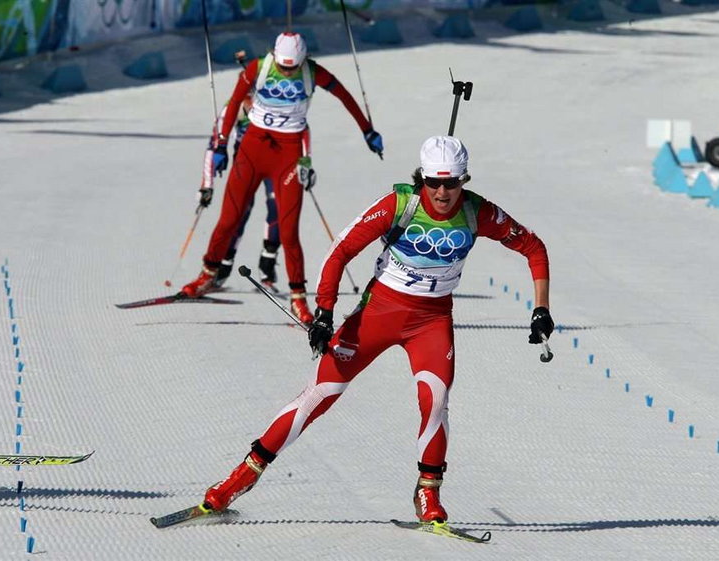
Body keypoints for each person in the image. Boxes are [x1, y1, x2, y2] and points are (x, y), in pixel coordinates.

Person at [198, 136, 553, 525]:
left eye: (451, 183)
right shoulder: (401, 204)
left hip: (431, 321)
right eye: (433, 181)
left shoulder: (478, 212)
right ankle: (238, 479)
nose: (442, 192)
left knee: (434, 399)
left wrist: (541, 309)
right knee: (321, 393)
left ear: (463, 181)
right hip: (378, 314)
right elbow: (340, 251)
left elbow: (534, 248)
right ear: (422, 178)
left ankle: (428, 493)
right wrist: (324, 314)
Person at [181, 32, 384, 325]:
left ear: (302, 60)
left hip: (287, 155)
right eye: (283, 66)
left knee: (288, 232)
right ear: (274, 56)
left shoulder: (312, 72)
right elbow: (235, 101)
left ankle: (298, 299)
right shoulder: (258, 68)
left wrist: (367, 130)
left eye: (292, 67)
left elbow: (345, 96)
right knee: (229, 220)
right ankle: (207, 275)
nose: (287, 71)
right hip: (252, 149)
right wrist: (222, 144)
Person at [199, 73, 286, 292]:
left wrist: (302, 161)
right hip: (245, 163)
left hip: (274, 162)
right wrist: (207, 185)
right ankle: (221, 270)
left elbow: (299, 129)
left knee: (277, 208)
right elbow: (214, 143)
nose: (249, 97)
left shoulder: (278, 102)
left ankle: (267, 270)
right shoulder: (235, 105)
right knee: (239, 213)